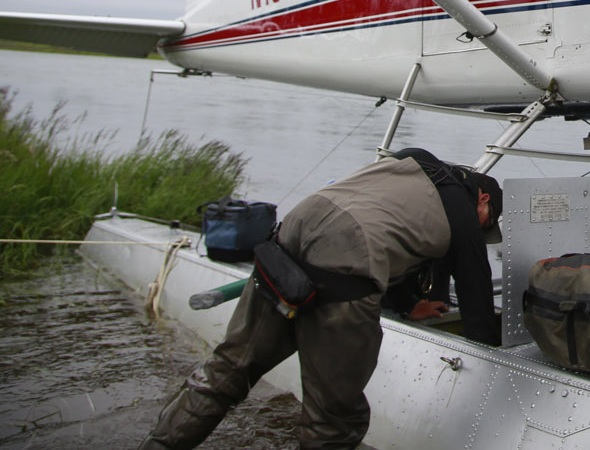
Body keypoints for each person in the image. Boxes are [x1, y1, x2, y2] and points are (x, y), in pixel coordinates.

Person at [140, 147, 502, 449]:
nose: (481, 228)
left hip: (292, 232)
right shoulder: (465, 218)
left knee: (229, 368)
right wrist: (490, 353)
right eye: (488, 221)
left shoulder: (413, 161)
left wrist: (409, 304)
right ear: (482, 198)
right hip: (346, 264)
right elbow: (476, 299)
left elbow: (387, 227)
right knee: (334, 418)